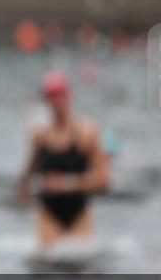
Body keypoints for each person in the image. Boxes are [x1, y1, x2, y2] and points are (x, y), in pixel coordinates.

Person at [17, 70, 110, 248]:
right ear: (46, 100)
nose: (56, 101)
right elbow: (28, 173)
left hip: (79, 214)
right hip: (48, 214)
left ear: (69, 96)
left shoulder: (86, 133)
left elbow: (104, 179)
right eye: (51, 96)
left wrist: (67, 183)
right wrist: (24, 191)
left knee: (81, 264)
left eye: (60, 95)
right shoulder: (39, 135)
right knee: (46, 267)